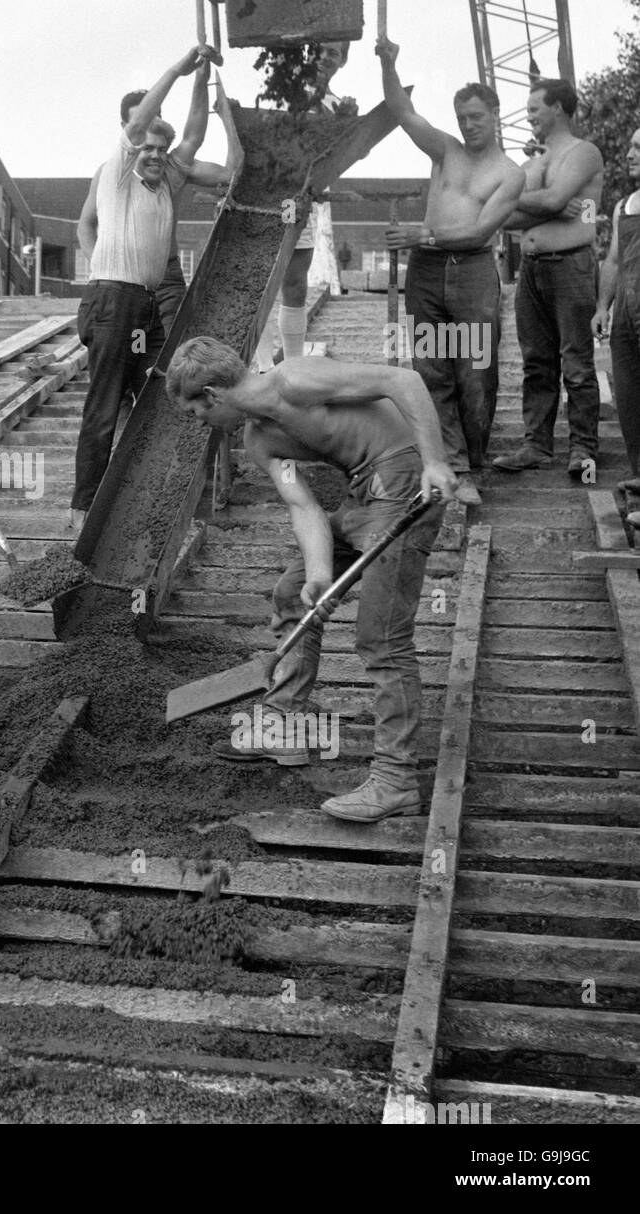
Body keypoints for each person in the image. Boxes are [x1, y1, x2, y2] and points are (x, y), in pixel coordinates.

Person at [166, 337, 456, 823]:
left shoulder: (296, 379)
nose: (198, 421)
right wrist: (321, 576)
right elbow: (304, 507)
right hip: (363, 495)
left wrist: (434, 460)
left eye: (195, 410)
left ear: (213, 395)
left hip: (404, 480)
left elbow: (402, 380)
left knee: (381, 638)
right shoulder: (260, 441)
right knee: (291, 595)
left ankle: (396, 780)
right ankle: (283, 724)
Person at [70, 44, 222, 529]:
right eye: (147, 147)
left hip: (145, 307)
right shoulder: (117, 174)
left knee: (165, 393)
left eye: (161, 148)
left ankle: (159, 500)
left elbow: (194, 134)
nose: (154, 155)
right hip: (112, 299)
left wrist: (202, 79)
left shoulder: (164, 180)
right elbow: (138, 129)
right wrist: (180, 65)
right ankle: (83, 512)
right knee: (105, 407)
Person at [377, 37, 525, 509]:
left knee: (475, 372)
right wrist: (389, 63)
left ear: (496, 114)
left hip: (473, 275)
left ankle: (474, 458)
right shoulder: (445, 149)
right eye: (462, 118)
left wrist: (422, 237)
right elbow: (403, 112)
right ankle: (452, 466)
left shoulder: (510, 173)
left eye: (477, 117)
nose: (468, 125)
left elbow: (481, 230)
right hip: (426, 274)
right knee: (431, 369)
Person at [492, 80, 604, 477]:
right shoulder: (535, 161)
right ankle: (536, 445)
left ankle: (583, 450)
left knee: (575, 362)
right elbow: (509, 217)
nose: (529, 116)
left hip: (571, 264)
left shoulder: (583, 152)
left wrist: (515, 197)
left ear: (558, 108)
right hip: (533, 268)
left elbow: (554, 201)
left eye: (535, 108)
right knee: (536, 363)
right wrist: (537, 201)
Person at [77, 86, 238, 348]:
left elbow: (222, 167)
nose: (147, 127)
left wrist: (214, 99)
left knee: (170, 352)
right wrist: (102, 273)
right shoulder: (111, 174)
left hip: (166, 274)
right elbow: (85, 226)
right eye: (139, 122)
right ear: (124, 126)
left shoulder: (170, 168)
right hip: (122, 282)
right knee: (129, 353)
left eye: (155, 118)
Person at [272, 40, 353, 366]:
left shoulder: (337, 104)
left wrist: (347, 124)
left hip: (306, 197)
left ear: (343, 60)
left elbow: (347, 155)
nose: (325, 58)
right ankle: (261, 363)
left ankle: (292, 364)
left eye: (334, 53)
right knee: (263, 281)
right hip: (274, 192)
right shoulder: (284, 87)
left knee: (294, 282)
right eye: (319, 50)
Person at [592, 126, 640, 493]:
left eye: (639, 147)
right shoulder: (623, 206)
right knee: (628, 394)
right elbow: (611, 260)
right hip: (625, 309)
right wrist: (602, 307)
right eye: (631, 146)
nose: (630, 153)